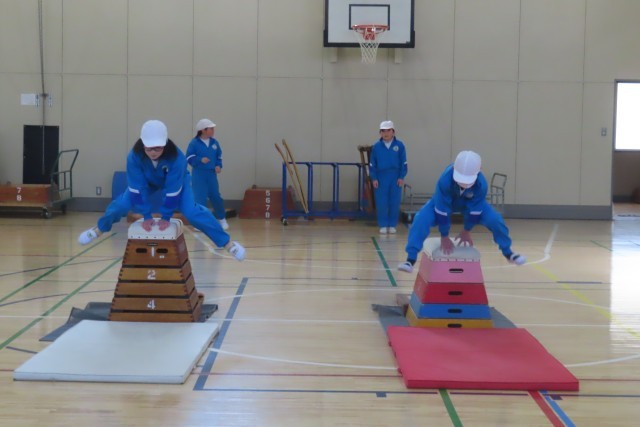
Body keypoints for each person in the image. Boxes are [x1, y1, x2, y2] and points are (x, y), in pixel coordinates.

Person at [77, 120, 245, 261]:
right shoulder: (134, 157)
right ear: (143, 144)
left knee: (192, 212)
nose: (153, 152)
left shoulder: (177, 158)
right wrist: (146, 216)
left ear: (165, 143)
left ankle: (228, 244)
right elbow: (136, 190)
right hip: (147, 182)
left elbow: (173, 191)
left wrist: (166, 217)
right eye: (149, 148)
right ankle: (98, 229)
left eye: (157, 148)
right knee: (121, 204)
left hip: (177, 182)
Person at [397, 150, 525, 273]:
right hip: (443, 203)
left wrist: (466, 231)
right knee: (421, 219)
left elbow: (475, 211)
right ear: (454, 169)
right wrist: (444, 236)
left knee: (495, 219)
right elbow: (442, 211)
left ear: (479, 171)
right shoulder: (445, 180)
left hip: (469, 205)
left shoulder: (481, 185)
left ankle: (508, 252)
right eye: (461, 179)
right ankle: (410, 259)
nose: (464, 183)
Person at [186, 118, 229, 230]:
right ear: (203, 130)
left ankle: (221, 219)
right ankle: (200, 223)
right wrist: (200, 160)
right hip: (199, 174)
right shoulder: (194, 143)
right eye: (211, 129)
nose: (213, 131)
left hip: (211, 174)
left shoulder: (215, 143)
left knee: (216, 196)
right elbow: (189, 157)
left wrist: (218, 165)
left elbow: (219, 156)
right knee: (199, 198)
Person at [369, 120, 408, 234]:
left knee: (394, 201)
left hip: (395, 177)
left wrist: (401, 177)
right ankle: (383, 224)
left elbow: (404, 163)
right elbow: (372, 164)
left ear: (393, 132)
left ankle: (392, 225)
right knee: (381, 202)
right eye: (383, 131)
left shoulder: (399, 145)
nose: (385, 133)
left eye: (388, 130)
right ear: (380, 133)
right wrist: (374, 178)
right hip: (381, 177)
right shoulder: (376, 147)